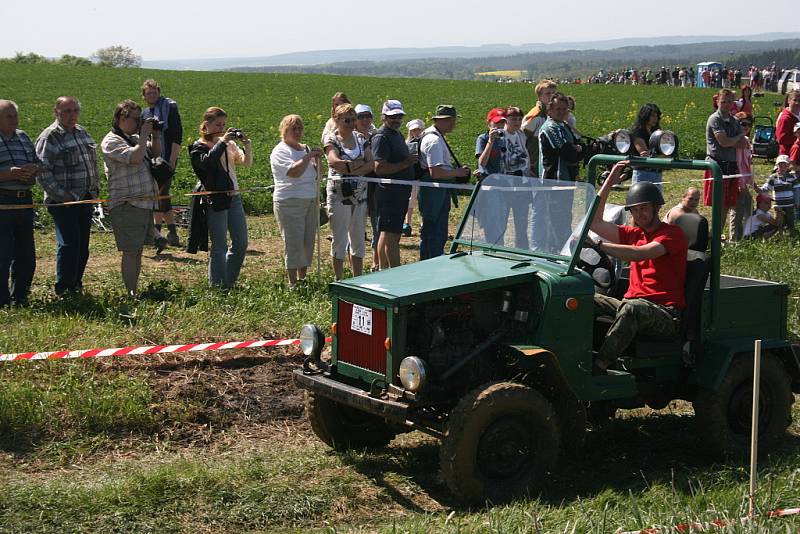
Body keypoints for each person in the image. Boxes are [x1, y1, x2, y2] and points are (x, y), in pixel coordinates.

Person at [590, 161, 688, 373]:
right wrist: (610, 181)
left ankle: (599, 367)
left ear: (657, 207)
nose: (639, 214)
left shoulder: (672, 234)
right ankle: (576, 355)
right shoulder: (634, 234)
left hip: (665, 314)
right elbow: (594, 223)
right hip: (631, 304)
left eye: (644, 208)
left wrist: (599, 245)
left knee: (631, 308)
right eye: (634, 210)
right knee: (581, 298)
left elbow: (640, 254)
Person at [36, 96, 100, 297]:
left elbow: (92, 163)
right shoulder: (50, 137)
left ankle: (76, 284)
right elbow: (42, 171)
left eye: (75, 110)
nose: (72, 115)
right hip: (63, 202)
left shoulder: (82, 132)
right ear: (56, 112)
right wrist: (61, 195)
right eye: (67, 111)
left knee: (82, 246)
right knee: (69, 244)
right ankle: (63, 288)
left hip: (85, 198)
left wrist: (95, 189)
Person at [101, 100, 161, 297]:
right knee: (130, 251)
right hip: (127, 204)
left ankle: (134, 290)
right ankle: (131, 293)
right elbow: (135, 159)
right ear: (121, 118)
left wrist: (156, 134)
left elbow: (156, 153)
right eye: (135, 119)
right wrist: (143, 135)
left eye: (140, 119)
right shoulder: (112, 141)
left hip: (143, 202)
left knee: (137, 251)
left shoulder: (134, 137)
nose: (138, 123)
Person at [188, 107, 251, 289]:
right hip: (215, 199)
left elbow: (245, 163)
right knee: (219, 245)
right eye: (217, 125)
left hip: (234, 196)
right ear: (206, 125)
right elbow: (207, 163)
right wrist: (222, 142)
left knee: (241, 242)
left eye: (224, 125)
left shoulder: (229, 144)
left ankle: (228, 281)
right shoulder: (198, 146)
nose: (221, 128)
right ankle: (217, 286)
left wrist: (246, 145)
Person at [270, 114, 321, 289]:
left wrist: (317, 160)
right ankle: (292, 282)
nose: (298, 132)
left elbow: (315, 174)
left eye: (300, 128)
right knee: (293, 241)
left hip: (309, 200)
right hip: (289, 201)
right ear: (284, 130)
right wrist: (308, 157)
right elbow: (294, 172)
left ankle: (303, 278)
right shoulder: (280, 151)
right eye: (294, 129)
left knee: (308, 240)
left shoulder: (305, 148)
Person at [324, 104, 372, 279]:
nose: (352, 123)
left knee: (358, 238)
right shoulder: (331, 140)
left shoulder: (361, 138)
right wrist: (359, 163)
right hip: (339, 196)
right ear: (336, 120)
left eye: (354, 119)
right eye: (347, 120)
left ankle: (357, 278)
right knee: (340, 238)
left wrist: (350, 168)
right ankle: (339, 279)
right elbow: (334, 162)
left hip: (360, 196)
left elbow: (371, 163)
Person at [0, 100, 41, 306]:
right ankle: (2, 300)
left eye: (15, 115)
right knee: (3, 253)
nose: (14, 120)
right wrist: (8, 174)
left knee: (26, 254)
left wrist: (32, 170)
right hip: (3, 200)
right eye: (9, 116)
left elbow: (37, 162)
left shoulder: (23, 137)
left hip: (24, 199)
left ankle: (21, 296)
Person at [418, 104, 470, 260]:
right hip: (435, 191)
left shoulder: (433, 136)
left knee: (433, 231)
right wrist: (457, 172)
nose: (453, 123)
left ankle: (429, 260)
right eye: (451, 120)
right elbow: (436, 172)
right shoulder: (434, 140)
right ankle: (431, 263)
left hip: (436, 190)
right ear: (443, 120)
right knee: (435, 232)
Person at [371, 100, 416, 270]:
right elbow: (379, 168)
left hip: (400, 192)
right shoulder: (381, 137)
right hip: (389, 192)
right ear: (384, 117)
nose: (396, 120)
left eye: (399, 116)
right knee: (391, 235)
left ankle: (382, 269)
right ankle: (395, 272)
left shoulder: (396, 135)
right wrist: (406, 164)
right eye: (392, 116)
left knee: (389, 232)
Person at [141, 79, 184, 248]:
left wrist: (172, 160)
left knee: (161, 193)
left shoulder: (169, 107)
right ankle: (170, 234)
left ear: (159, 92)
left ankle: (159, 234)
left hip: (166, 158)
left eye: (154, 92)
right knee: (160, 195)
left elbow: (176, 134)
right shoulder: (145, 114)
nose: (152, 95)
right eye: (148, 93)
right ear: (144, 96)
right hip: (151, 159)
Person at [704, 89, 748, 228]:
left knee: (728, 203)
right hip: (716, 165)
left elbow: (743, 144)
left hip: (731, 164)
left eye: (730, 102)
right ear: (717, 102)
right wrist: (737, 137)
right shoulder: (714, 119)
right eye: (723, 102)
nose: (727, 105)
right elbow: (724, 142)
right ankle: (713, 236)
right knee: (718, 203)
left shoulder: (734, 120)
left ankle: (719, 234)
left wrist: (733, 140)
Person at [522, 79, 557, 177]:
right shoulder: (536, 115)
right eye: (547, 93)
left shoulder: (552, 114)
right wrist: (527, 165)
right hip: (534, 165)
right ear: (539, 97)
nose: (551, 96)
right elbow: (521, 139)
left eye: (554, 93)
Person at [729, 112, 754, 242]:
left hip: (745, 180)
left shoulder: (747, 142)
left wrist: (753, 184)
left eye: (749, 124)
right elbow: (737, 163)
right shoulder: (737, 142)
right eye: (742, 123)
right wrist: (739, 183)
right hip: (737, 180)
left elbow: (748, 165)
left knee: (748, 206)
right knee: (737, 210)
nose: (746, 127)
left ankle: (746, 236)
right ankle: (735, 240)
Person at [757, 154, 796, 230]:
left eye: (785, 166)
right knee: (779, 220)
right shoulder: (773, 177)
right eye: (781, 166)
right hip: (778, 204)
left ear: (788, 166)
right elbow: (767, 187)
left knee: (790, 219)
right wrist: (760, 189)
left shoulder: (792, 177)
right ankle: (780, 232)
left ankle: (791, 232)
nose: (783, 168)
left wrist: (797, 201)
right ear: (777, 166)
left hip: (790, 203)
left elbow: (797, 189)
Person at [630, 103, 664, 190]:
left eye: (656, 116)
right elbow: (644, 153)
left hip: (657, 172)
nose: (655, 119)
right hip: (643, 173)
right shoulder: (638, 132)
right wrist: (659, 152)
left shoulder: (656, 132)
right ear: (645, 116)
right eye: (652, 116)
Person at [402, 118, 425, 237]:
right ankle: (407, 223)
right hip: (411, 176)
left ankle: (422, 224)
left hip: (421, 175)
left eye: (418, 130)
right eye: (414, 130)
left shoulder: (425, 143)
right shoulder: (407, 144)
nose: (416, 132)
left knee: (422, 200)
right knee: (411, 199)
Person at [776, 90, 800, 157]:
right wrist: (797, 137)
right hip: (788, 155)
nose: (797, 103)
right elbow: (781, 139)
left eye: (799, 100)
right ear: (788, 101)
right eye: (795, 100)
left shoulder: (798, 115)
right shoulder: (785, 118)